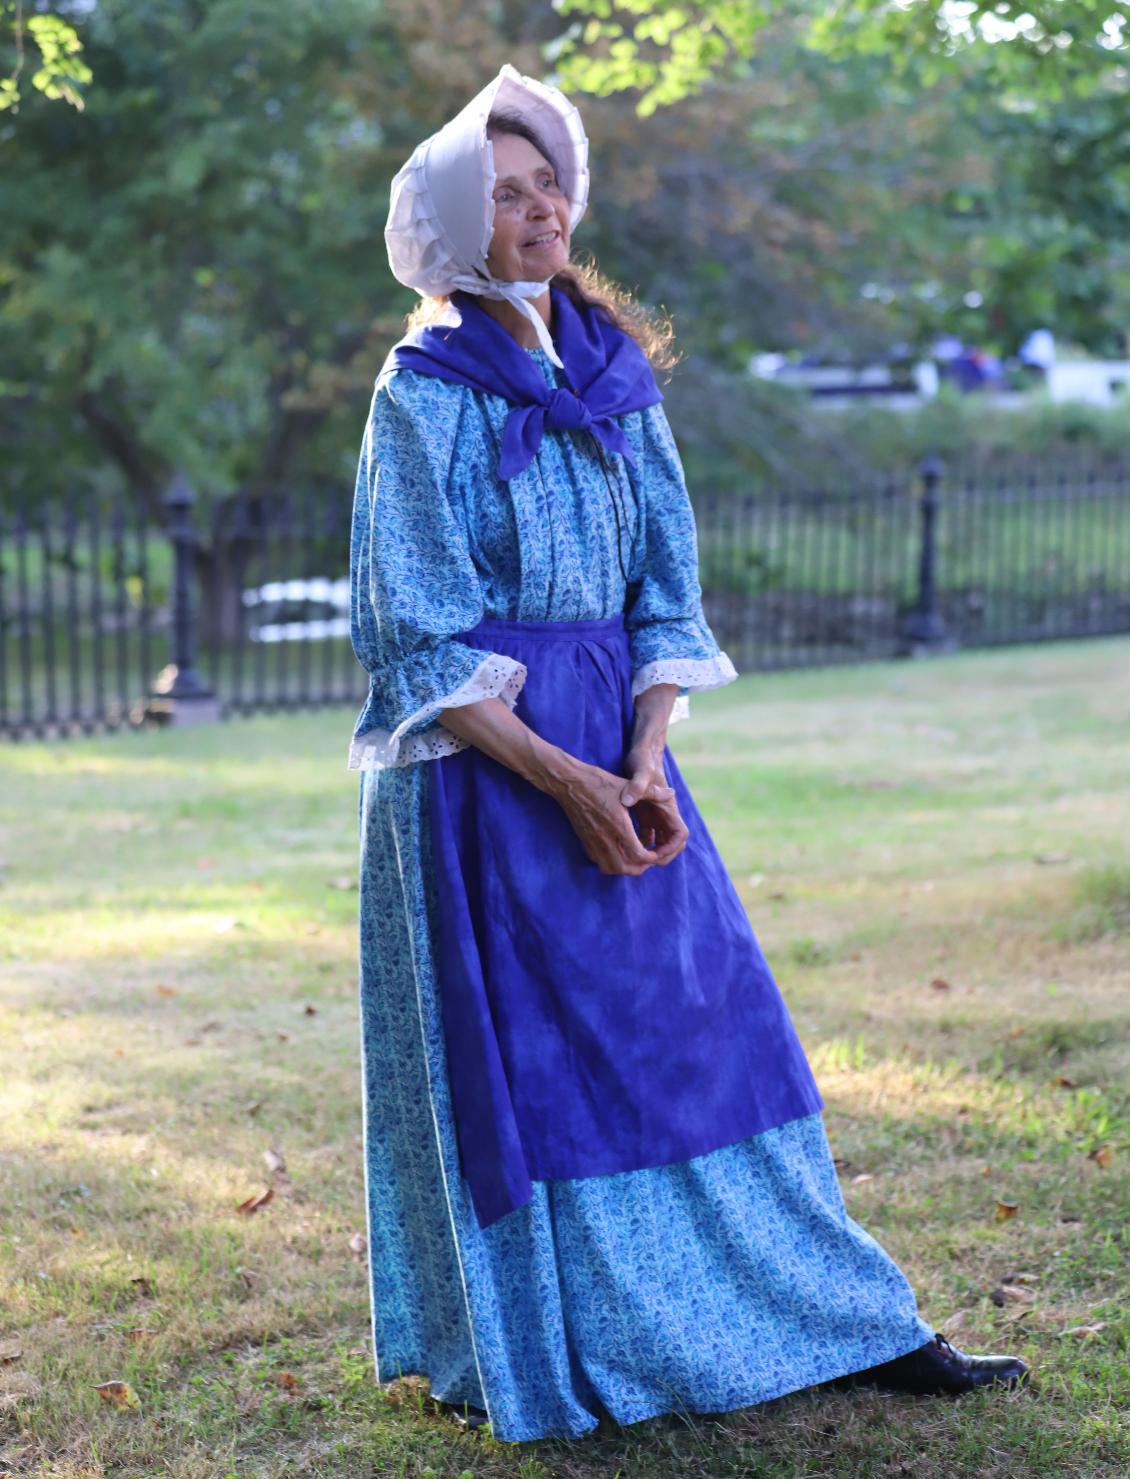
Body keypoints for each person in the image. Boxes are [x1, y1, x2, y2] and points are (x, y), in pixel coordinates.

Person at [347, 62, 1030, 1444]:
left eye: (549, 187)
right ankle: (584, 1344)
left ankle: (838, 1320)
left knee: (712, 1037)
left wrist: (643, 756)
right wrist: (563, 777)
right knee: (542, 1070)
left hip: (622, 746)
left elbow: (667, 591)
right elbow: (411, 636)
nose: (539, 211)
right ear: (452, 228)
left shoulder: (609, 374)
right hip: (488, 779)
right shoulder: (421, 394)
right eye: (506, 193)